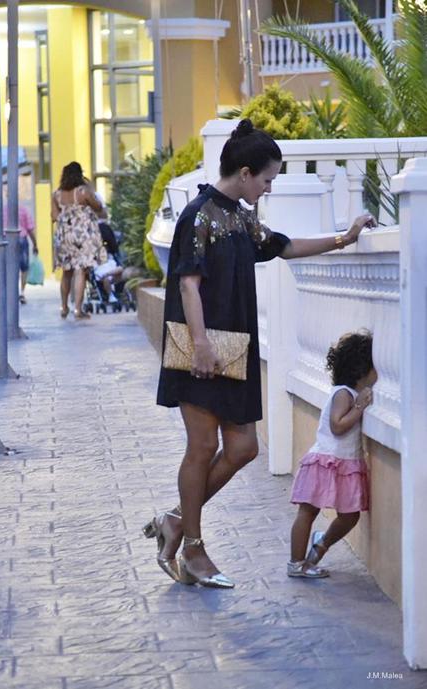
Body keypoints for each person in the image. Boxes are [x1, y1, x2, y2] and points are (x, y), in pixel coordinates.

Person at [143, 118, 376, 589]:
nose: (267, 188)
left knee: (244, 448)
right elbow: (188, 282)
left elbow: (282, 247)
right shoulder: (200, 214)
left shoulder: (241, 217)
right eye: (267, 179)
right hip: (202, 348)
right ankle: (193, 548)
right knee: (204, 447)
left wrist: (342, 239)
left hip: (235, 348)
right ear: (245, 172)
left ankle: (174, 520)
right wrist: (203, 344)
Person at [288, 331, 377, 578]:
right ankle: (296, 563)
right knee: (307, 512)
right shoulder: (343, 394)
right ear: (362, 369)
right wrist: (359, 407)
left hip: (347, 464)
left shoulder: (351, 393)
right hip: (326, 462)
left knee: (350, 516)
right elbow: (337, 426)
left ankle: (320, 546)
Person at [51, 162, 106, 319]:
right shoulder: (83, 191)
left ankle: (63, 307)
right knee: (80, 270)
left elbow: (54, 216)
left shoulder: (56, 194)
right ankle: (77, 309)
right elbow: (98, 207)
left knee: (66, 271)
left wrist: (66, 214)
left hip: (64, 236)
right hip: (82, 235)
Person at [3, 203, 38, 304]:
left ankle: (10, 292)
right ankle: (22, 292)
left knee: (8, 267)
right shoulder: (23, 210)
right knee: (24, 267)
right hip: (21, 238)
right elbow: (30, 229)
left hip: (6, 239)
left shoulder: (2, 209)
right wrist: (35, 244)